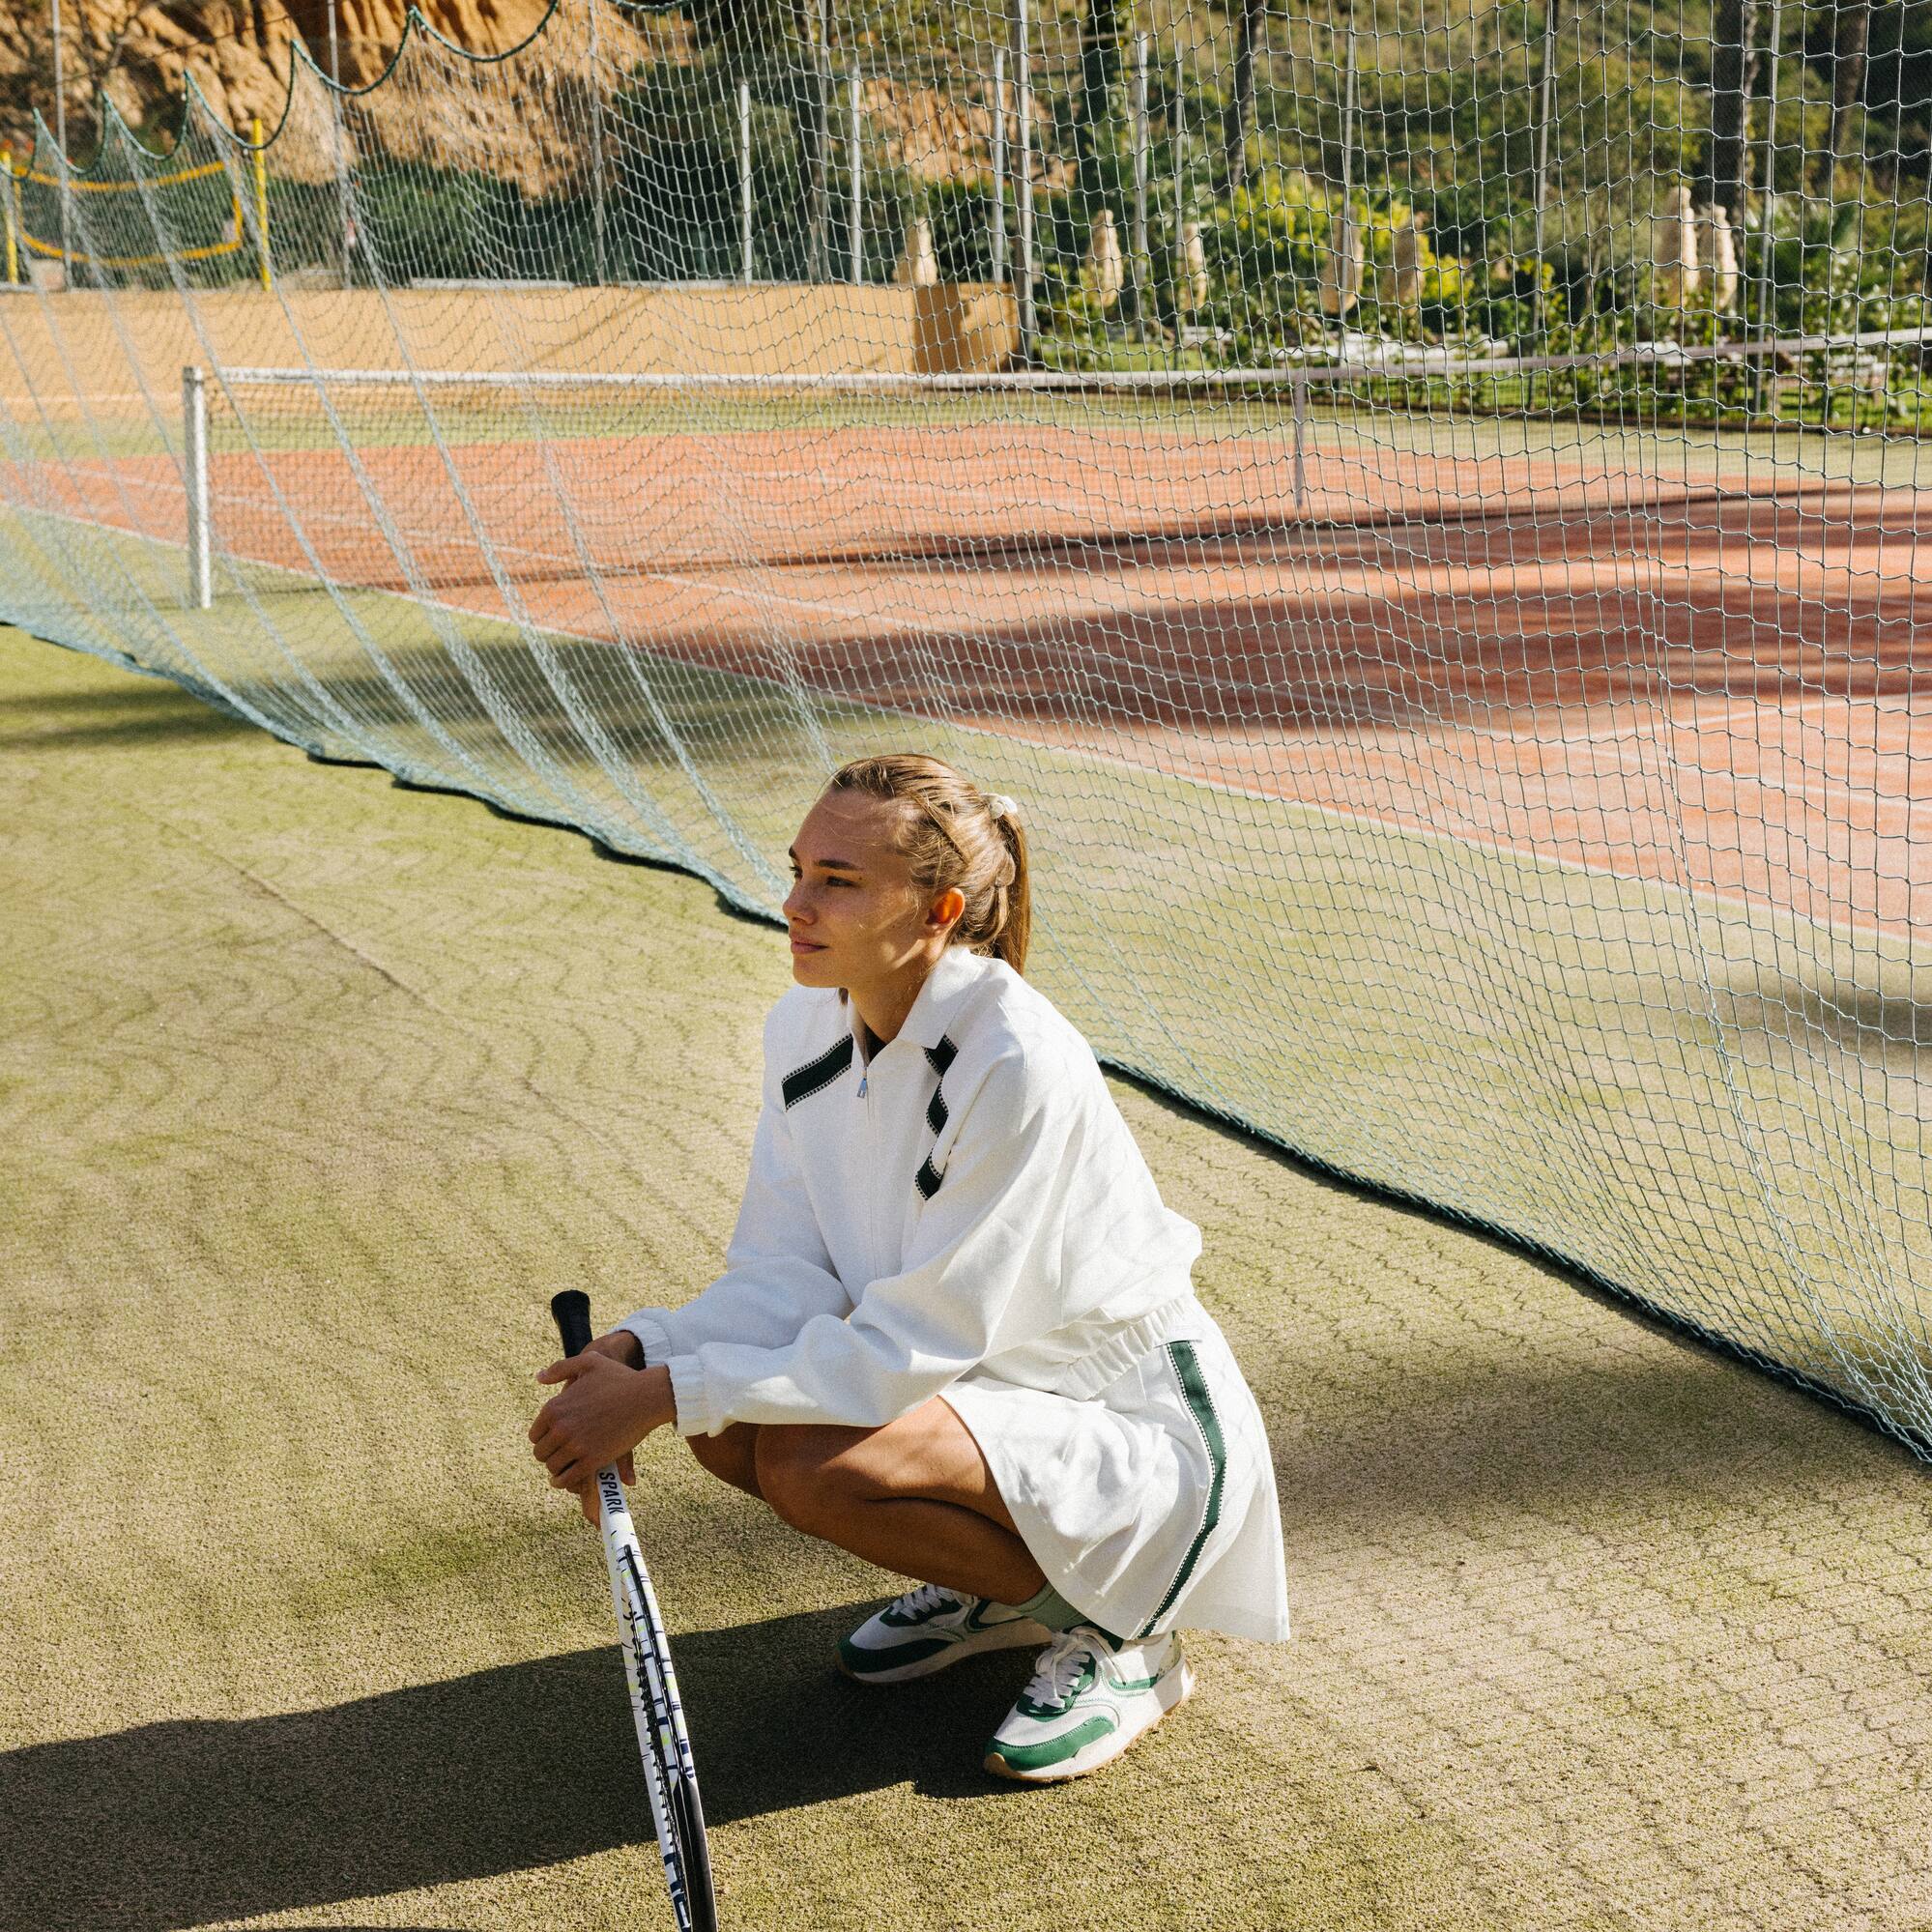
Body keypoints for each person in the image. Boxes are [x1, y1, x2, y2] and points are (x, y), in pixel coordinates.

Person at [530, 754, 1289, 1781]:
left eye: (838, 880)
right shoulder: (803, 1023)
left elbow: (915, 1343)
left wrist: (662, 1393)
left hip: (1135, 1431)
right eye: (798, 868)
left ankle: (1128, 1637)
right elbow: (787, 1270)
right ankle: (1003, 1591)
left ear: (937, 911)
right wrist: (642, 1351)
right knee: (732, 1434)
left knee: (807, 1458)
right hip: (979, 1387)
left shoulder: (1014, 1056)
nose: (794, 902)